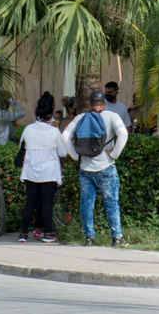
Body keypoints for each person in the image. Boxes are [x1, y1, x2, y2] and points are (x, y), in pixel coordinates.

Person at [63, 89, 129, 247]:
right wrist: (114, 154)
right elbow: (123, 134)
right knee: (111, 203)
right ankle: (117, 238)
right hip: (106, 167)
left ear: (90, 103)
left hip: (85, 169)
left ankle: (89, 237)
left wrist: (75, 156)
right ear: (104, 103)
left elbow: (65, 136)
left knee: (86, 203)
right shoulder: (112, 116)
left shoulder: (80, 117)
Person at [19, 93, 68, 243]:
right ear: (51, 113)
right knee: (47, 202)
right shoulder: (54, 131)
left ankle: (23, 234)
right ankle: (48, 234)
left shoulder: (28, 129)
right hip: (49, 171)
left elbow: (22, 146)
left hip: (30, 169)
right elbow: (63, 153)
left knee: (30, 202)